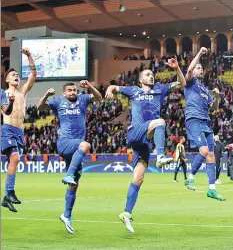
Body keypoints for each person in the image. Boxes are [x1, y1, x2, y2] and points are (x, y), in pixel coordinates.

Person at [105, 59, 179, 233]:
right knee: (160, 121)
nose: (151, 76)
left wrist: (178, 70)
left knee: (138, 178)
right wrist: (109, 89)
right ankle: (160, 156)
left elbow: (181, 83)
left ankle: (126, 213)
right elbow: (114, 87)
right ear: (140, 80)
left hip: (144, 141)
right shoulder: (134, 91)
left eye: (152, 75)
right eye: (147, 75)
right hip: (135, 132)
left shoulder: (160, 89)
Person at [37, 81, 102, 234]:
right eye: (70, 90)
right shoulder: (58, 101)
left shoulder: (83, 99)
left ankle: (67, 215)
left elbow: (99, 97)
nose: (73, 92)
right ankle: (68, 174)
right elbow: (40, 107)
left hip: (75, 148)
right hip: (65, 143)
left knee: (74, 184)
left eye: (74, 90)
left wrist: (90, 87)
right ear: (64, 93)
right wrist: (46, 94)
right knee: (86, 145)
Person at [176, 47, 225, 201]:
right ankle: (190, 178)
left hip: (205, 122)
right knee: (204, 151)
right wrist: (200, 54)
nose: (200, 69)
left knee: (211, 155)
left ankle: (211, 189)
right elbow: (189, 69)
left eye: (202, 68)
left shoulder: (205, 90)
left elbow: (214, 108)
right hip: (193, 120)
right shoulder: (190, 83)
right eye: (199, 68)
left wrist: (217, 97)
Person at [1, 48, 37, 213]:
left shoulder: (22, 92)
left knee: (14, 161)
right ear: (6, 78)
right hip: (7, 129)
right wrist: (10, 102)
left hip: (19, 132)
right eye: (13, 74)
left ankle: (8, 196)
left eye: (17, 74)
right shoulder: (3, 93)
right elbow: (6, 111)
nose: (16, 76)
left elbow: (33, 75)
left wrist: (29, 57)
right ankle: (10, 193)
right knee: (14, 158)